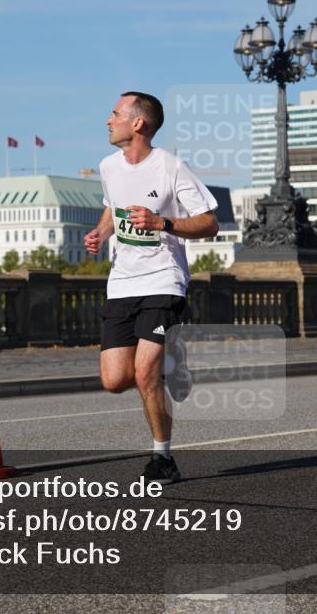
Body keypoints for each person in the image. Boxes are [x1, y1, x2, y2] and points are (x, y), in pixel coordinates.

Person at [84, 91, 218, 482]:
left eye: (114, 114)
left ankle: (163, 459)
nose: (108, 120)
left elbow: (209, 223)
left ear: (137, 123)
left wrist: (163, 224)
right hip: (122, 282)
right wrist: (100, 231)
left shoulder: (171, 167)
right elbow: (113, 208)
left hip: (163, 279)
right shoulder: (108, 167)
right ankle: (170, 361)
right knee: (114, 381)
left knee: (144, 374)